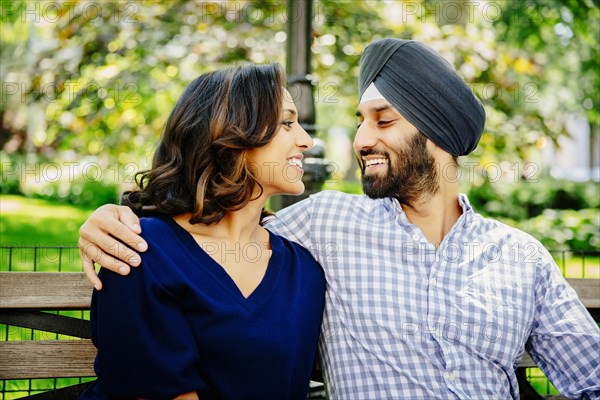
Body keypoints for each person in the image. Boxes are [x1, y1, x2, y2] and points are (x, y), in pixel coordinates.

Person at [79, 39, 600, 399]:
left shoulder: (520, 256)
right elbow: (207, 233)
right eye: (359, 120)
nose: (358, 140)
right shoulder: (327, 227)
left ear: (438, 133)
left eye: (383, 120)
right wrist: (109, 220)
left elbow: (589, 374)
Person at [78, 63, 326, 400]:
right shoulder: (138, 251)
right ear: (234, 131)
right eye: (286, 123)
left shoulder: (304, 271)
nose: (307, 141)